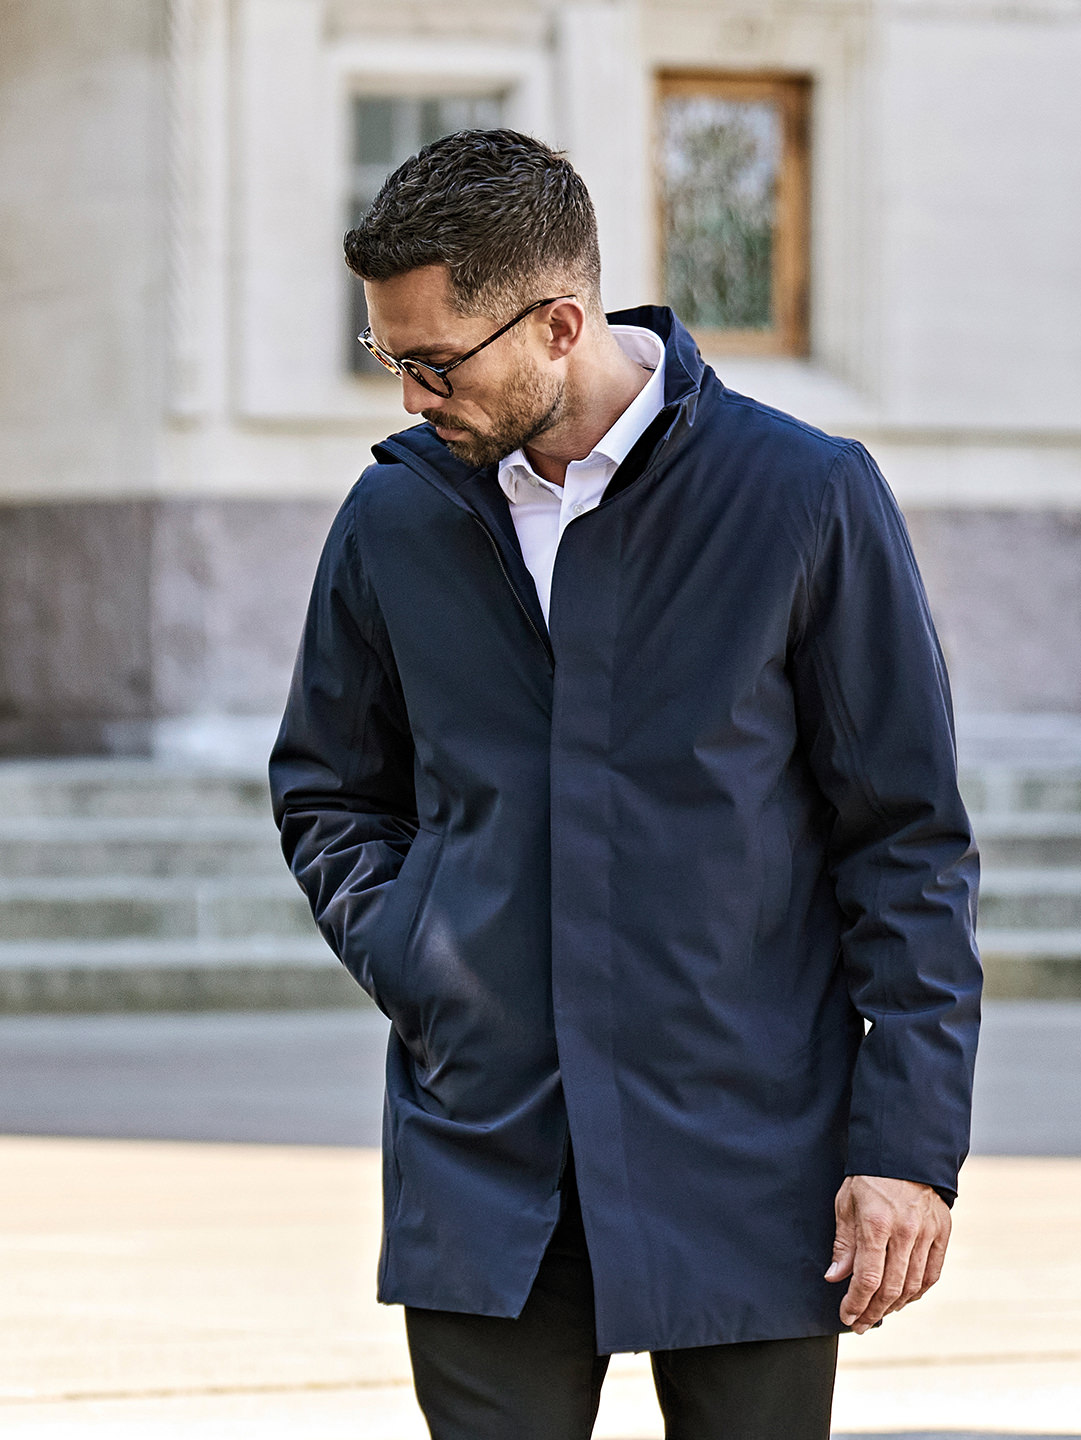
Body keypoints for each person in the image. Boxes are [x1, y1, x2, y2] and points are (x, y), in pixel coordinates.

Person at [269, 128, 981, 1440]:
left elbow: (906, 842)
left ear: (558, 324)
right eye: (390, 357)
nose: (412, 399)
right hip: (489, 1147)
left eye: (436, 363)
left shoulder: (803, 497)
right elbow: (329, 786)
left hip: (750, 1150)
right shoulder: (396, 517)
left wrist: (906, 1147)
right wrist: (424, 947)